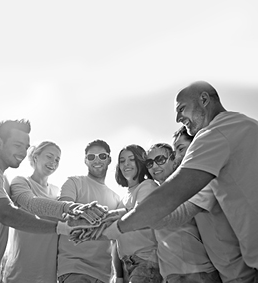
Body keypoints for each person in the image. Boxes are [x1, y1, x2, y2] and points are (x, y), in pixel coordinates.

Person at [102, 81, 258, 275]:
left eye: (181, 108)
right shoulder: (247, 125)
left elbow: (170, 198)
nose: (177, 118)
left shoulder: (214, 134)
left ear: (204, 99)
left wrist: (117, 228)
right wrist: (122, 216)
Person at [0, 120, 70, 283]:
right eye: (17, 145)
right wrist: (61, 228)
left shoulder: (2, 179)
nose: (23, 152)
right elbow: (7, 214)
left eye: (25, 147)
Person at [172, 126, 257, 282]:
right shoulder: (193, 184)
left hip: (242, 275)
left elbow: (178, 214)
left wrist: (128, 219)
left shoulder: (206, 182)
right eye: (175, 152)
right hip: (228, 274)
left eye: (181, 149)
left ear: (196, 146)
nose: (177, 157)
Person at [146, 143, 221, 283]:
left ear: (173, 159)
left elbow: (177, 215)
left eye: (160, 160)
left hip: (199, 273)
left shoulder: (189, 185)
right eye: (150, 163)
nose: (155, 166)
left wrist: (125, 220)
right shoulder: (155, 195)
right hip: (171, 276)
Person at [57, 139, 121, 283]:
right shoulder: (73, 182)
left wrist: (119, 276)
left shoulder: (116, 197)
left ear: (109, 159)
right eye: (91, 157)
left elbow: (116, 240)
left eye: (102, 156)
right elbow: (63, 210)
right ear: (85, 161)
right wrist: (82, 213)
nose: (96, 160)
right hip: (74, 268)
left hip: (104, 274)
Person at [4, 141, 63, 282]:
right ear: (35, 157)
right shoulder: (21, 182)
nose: (53, 162)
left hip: (49, 274)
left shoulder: (57, 192)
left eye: (57, 159)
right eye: (49, 156)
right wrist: (66, 207)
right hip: (20, 271)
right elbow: (31, 204)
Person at [114, 144, 163, 283]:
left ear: (140, 163)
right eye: (122, 161)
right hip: (128, 264)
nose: (126, 164)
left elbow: (140, 214)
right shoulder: (123, 198)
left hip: (146, 261)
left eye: (131, 159)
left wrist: (109, 216)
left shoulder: (147, 185)